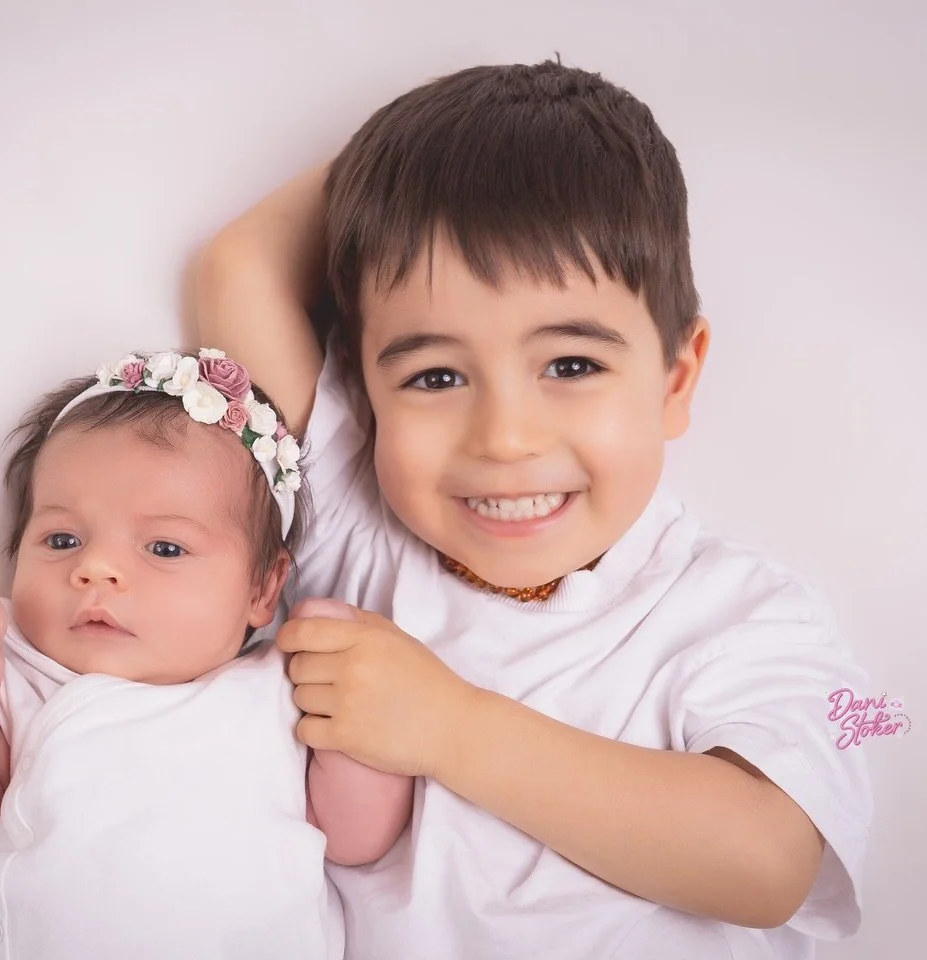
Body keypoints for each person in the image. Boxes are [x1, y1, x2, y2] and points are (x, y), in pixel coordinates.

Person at [195, 60, 874, 958]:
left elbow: (764, 863)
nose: (506, 438)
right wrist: (417, 169)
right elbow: (236, 267)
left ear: (675, 380)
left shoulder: (739, 612)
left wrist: (452, 729)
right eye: (434, 376)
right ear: (367, 390)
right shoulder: (361, 527)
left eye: (571, 365)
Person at [0, 349, 411, 959]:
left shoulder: (281, 687)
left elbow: (357, 839)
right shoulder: (15, 672)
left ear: (264, 588)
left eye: (163, 548)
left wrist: (355, 713)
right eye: (62, 539)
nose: (95, 569)